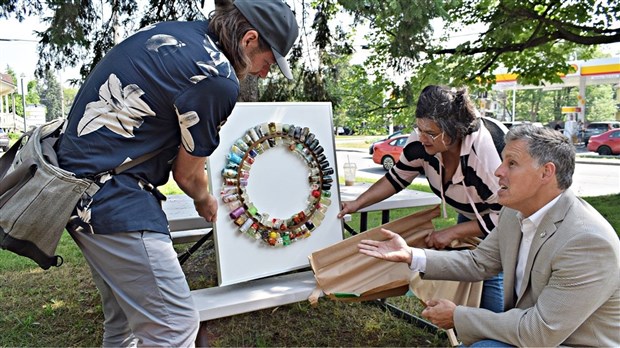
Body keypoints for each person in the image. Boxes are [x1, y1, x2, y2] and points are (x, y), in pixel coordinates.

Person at [56, 1, 299, 346]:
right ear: (249, 40)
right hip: (113, 198)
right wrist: (205, 200)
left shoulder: (181, 34)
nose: (264, 73)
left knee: (124, 321)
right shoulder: (217, 78)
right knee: (176, 326)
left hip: (78, 191)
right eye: (269, 61)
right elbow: (187, 175)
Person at [358, 125, 620, 346]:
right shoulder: (513, 212)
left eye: (512, 163)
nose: (498, 171)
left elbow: (541, 331)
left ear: (546, 173)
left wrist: (458, 316)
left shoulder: (587, 242)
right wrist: (411, 255)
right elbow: (479, 262)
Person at [338, 85, 508, 313]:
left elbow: (505, 218)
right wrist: (357, 204)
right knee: (465, 273)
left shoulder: (485, 158)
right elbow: (397, 178)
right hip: (473, 211)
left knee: (491, 272)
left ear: (454, 131)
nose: (421, 138)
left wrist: (453, 232)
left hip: (506, 215)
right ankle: (467, 328)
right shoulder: (421, 142)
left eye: (431, 133)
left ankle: (493, 333)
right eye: (419, 129)